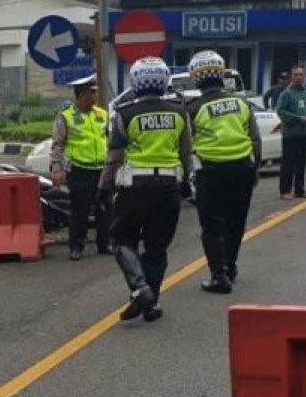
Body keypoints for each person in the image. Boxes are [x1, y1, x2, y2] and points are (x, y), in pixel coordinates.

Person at [99, 57, 193, 323]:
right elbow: (186, 152)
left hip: (135, 187)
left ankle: (140, 289)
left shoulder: (125, 112)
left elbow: (114, 156)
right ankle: (151, 303)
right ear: (164, 81)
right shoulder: (179, 111)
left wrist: (104, 186)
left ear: (135, 82)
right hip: (168, 186)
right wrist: (187, 181)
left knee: (120, 239)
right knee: (157, 247)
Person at [185, 50, 262, 294]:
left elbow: (187, 147)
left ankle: (219, 275)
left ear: (196, 78)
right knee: (235, 222)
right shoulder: (241, 103)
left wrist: (188, 177)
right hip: (242, 169)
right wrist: (255, 167)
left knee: (212, 226)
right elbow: (256, 138)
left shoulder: (193, 108)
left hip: (211, 171)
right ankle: (231, 266)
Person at [49, 75, 110, 260]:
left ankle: (104, 244)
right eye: (92, 93)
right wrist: (57, 169)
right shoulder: (66, 116)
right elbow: (57, 144)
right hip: (79, 170)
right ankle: (76, 246)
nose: (96, 96)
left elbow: (109, 139)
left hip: (102, 170)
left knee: (105, 209)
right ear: (81, 95)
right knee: (79, 211)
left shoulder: (102, 114)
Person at [275, 66, 306, 200]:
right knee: (288, 163)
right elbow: (281, 111)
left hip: (304, 134)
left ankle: (300, 189)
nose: (299, 77)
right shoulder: (286, 94)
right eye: (296, 75)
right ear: (291, 77)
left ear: (304, 77)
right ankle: (285, 190)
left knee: (301, 163)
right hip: (290, 134)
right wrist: (297, 118)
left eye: (301, 75)